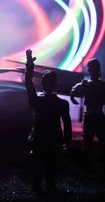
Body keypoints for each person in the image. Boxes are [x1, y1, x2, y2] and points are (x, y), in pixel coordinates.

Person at [24, 49, 72, 193]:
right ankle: (45, 188)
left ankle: (39, 188)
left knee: (40, 165)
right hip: (50, 138)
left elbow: (28, 84)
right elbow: (67, 124)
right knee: (48, 166)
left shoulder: (37, 100)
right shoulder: (61, 103)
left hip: (41, 138)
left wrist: (30, 66)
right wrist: (67, 142)